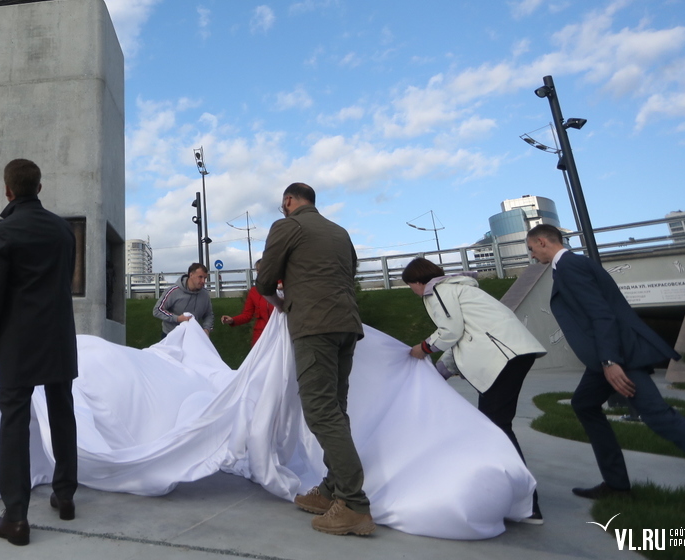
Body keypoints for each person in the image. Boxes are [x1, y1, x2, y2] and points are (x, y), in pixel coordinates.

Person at [526, 224, 685, 498]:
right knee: (584, 404)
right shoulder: (572, 265)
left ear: (542, 242)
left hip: (618, 356)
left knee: (660, 417)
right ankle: (616, 485)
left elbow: (602, 315)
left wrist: (611, 361)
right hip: (603, 357)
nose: (531, 256)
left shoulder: (570, 266)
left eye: (530, 249)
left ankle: (617, 485)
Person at [257, 183, 374, 537]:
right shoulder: (339, 231)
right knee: (336, 408)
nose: (282, 209)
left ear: (289, 201)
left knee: (321, 411)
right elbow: (348, 272)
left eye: (283, 204)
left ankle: (353, 503)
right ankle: (330, 490)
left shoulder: (288, 226)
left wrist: (279, 300)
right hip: (346, 325)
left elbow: (264, 279)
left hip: (314, 325)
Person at [0, 159, 79, 547]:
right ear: (39, 187)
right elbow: (64, 280)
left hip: (19, 339)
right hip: (57, 334)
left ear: (8, 190)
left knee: (15, 421)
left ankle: (16, 517)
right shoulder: (63, 230)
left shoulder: (4, 231)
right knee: (62, 412)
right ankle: (65, 495)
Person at [401, 257, 547, 523]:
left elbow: (450, 331)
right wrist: (440, 372)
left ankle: (526, 505)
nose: (412, 291)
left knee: (496, 429)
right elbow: (465, 337)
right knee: (495, 425)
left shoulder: (438, 291)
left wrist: (421, 349)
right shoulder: (461, 288)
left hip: (504, 356)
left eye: (410, 285)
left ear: (418, 281)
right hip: (513, 354)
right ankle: (516, 500)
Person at [221, 261, 275, 346]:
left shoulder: (281, 289)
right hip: (260, 336)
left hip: (278, 334)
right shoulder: (254, 292)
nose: (258, 272)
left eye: (261, 270)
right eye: (257, 270)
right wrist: (232, 320)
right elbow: (247, 315)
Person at [153, 263, 214, 336]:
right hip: (171, 335)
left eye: (205, 278)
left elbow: (209, 314)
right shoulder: (174, 291)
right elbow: (157, 310)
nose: (203, 281)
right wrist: (177, 318)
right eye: (200, 277)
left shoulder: (205, 294)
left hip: (193, 336)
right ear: (191, 275)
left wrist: (206, 329)